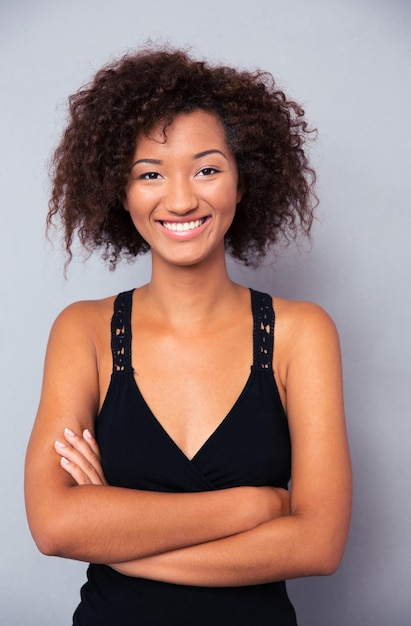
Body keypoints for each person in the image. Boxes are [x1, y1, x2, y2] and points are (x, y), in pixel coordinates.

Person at [24, 46, 352, 625]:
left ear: (242, 182)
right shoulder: (85, 331)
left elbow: (319, 546)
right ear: (119, 193)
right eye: (149, 174)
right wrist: (256, 505)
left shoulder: (302, 334)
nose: (179, 199)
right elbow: (55, 527)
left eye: (207, 169)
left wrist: (120, 542)